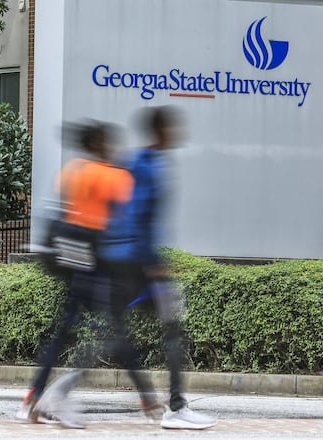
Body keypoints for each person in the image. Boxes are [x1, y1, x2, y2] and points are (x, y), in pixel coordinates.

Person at [18, 122, 144, 428]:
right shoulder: (113, 176)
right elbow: (123, 222)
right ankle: (145, 395)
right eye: (108, 141)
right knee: (113, 328)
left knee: (65, 329)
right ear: (99, 142)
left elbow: (67, 211)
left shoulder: (72, 170)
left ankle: (33, 394)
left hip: (72, 260)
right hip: (98, 261)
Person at [99, 106, 216, 430]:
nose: (178, 133)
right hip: (138, 263)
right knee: (173, 329)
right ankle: (176, 407)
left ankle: (58, 393)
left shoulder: (140, 161)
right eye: (173, 127)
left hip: (127, 259)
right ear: (160, 131)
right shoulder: (145, 165)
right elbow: (135, 215)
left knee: (119, 333)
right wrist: (154, 264)